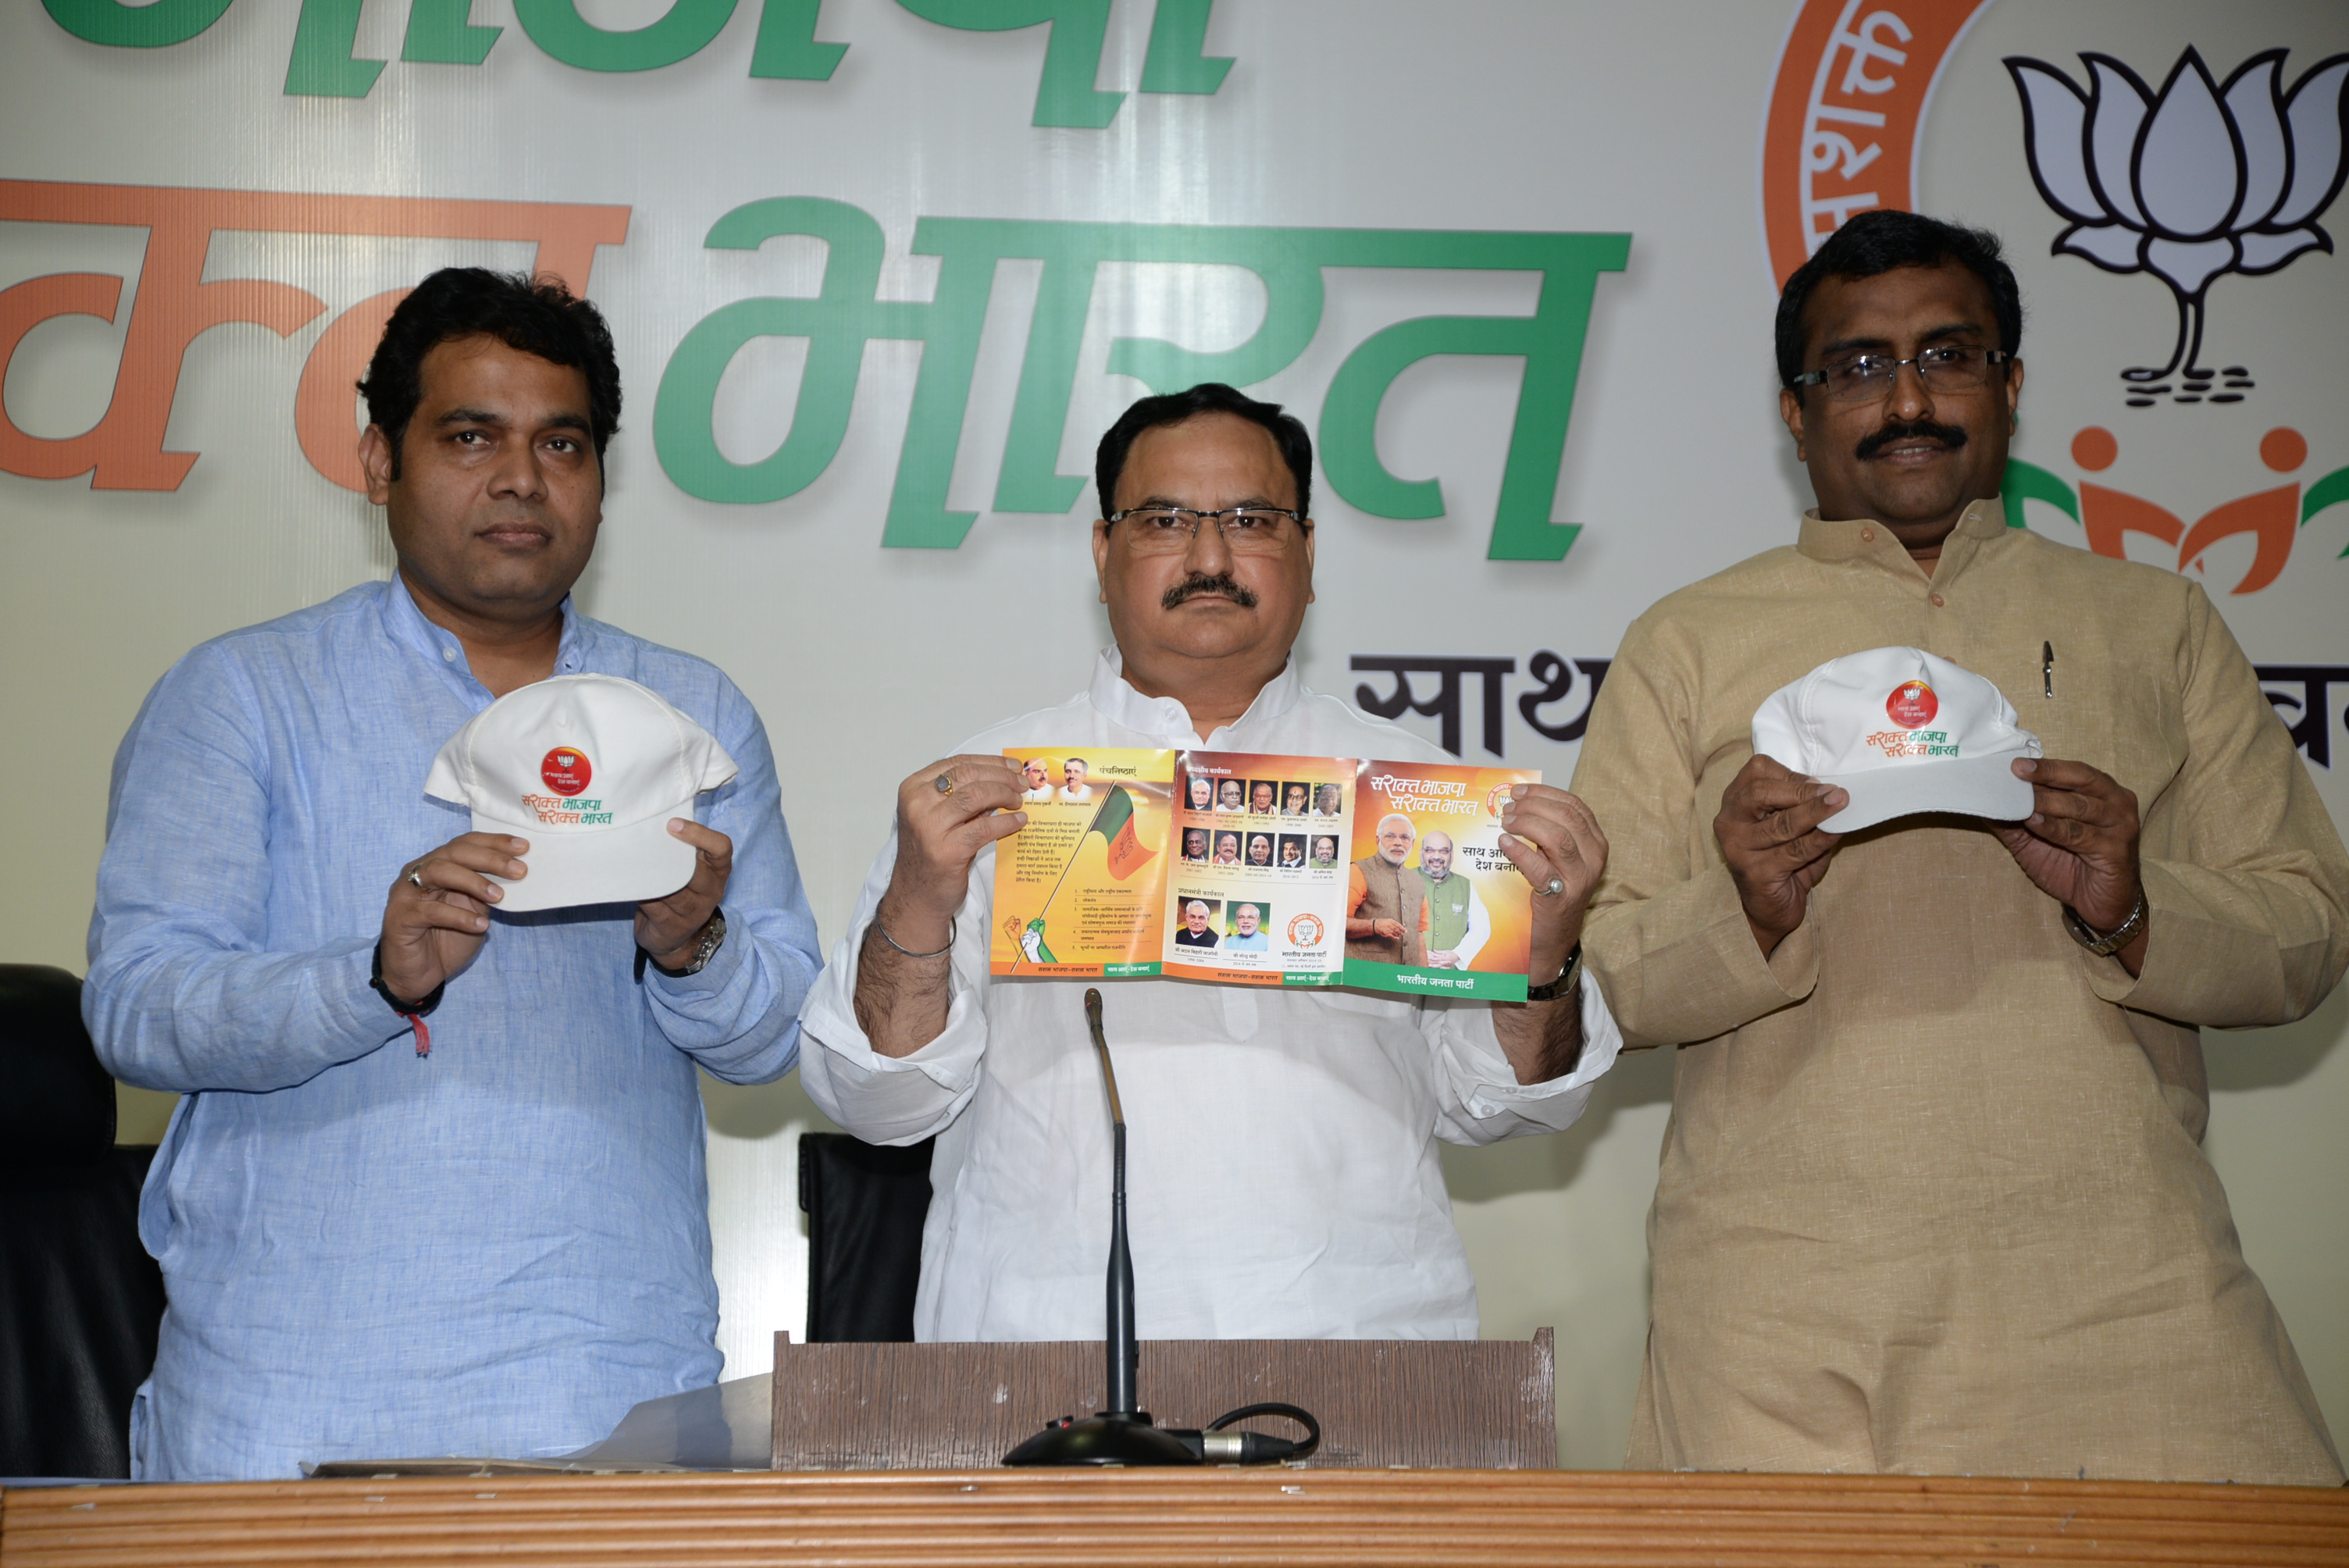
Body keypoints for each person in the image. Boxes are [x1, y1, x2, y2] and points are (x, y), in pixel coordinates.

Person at [1570, 210, 2349, 1485]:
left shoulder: (2152, 621)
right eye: (1859, 366)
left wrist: (2132, 903)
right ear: (1795, 409)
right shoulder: (1687, 641)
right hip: (1783, 1314)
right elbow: (1593, 977)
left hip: (2126, 1295)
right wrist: (1745, 904)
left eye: (1947, 353)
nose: (1907, 398)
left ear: (2009, 385)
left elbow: (2307, 926)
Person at [82, 269, 823, 1481]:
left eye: (563, 444)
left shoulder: (690, 713)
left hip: (607, 1385)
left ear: (599, 478)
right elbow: (138, 1007)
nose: (522, 480)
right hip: (295, 1393)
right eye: (470, 436)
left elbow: (772, 1034)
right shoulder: (245, 697)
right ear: (380, 460)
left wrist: (694, 944)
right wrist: (370, 977)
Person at [797, 381, 1621, 1341]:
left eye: (1249, 519)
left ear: (1308, 554)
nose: (1208, 557)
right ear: (1102, 553)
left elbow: (1508, 1107)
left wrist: (1544, 957)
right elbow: (877, 1101)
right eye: (1163, 520)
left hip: (1362, 1345)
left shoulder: (1421, 797)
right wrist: (916, 903)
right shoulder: (992, 794)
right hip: (1043, 1356)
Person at [1346, 814, 1429, 966]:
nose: (1398, 843)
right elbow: (1338, 923)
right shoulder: (1358, 871)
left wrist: (1425, 980)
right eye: (1390, 836)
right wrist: (1375, 926)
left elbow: (1419, 934)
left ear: (1412, 843)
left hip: (1406, 980)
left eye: (1404, 838)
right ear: (1378, 840)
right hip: (1364, 977)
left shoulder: (1417, 880)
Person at [1419, 831, 1488, 970]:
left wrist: (1457, 955)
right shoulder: (1402, 880)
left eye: (1444, 851)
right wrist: (1415, 952)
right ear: (1422, 853)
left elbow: (1482, 928)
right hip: (1407, 975)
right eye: (1430, 850)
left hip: (1451, 980)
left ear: (1452, 855)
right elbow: (1389, 924)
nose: (1436, 856)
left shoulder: (1465, 885)